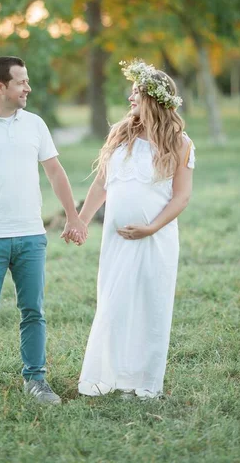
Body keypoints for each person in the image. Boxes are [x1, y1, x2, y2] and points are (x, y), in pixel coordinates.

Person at [0, 56, 87, 406]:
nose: (28, 87)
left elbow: (55, 172)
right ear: (0, 87)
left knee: (34, 311)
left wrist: (73, 217)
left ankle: (36, 380)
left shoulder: (36, 125)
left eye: (27, 81)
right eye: (21, 82)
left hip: (31, 236)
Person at [73, 58, 195, 400]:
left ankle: (142, 381)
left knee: (149, 305)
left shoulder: (179, 143)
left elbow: (182, 196)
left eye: (136, 94)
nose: (130, 100)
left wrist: (151, 227)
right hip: (116, 240)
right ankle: (109, 374)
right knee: (113, 303)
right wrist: (82, 220)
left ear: (154, 100)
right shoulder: (121, 133)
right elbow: (101, 184)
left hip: (155, 239)